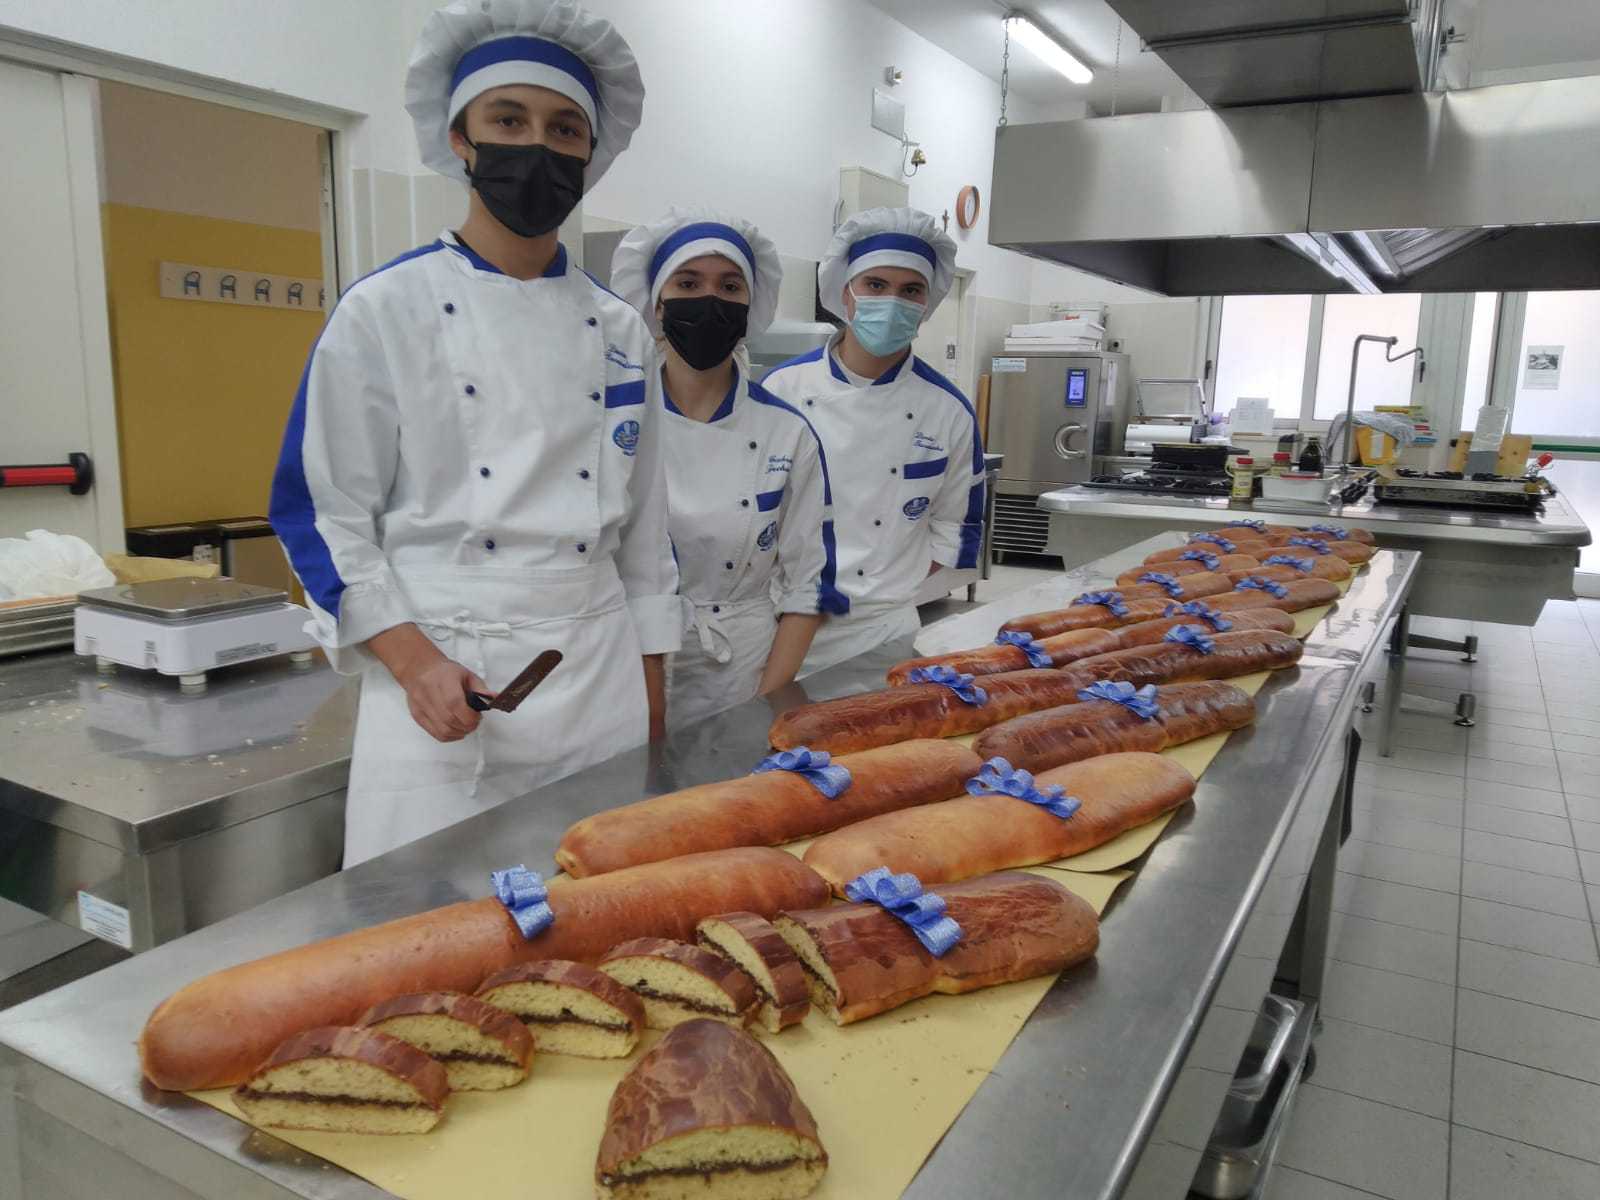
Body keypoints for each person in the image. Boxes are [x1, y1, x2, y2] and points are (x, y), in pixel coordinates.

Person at [268, 0, 678, 867]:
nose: (538, 145)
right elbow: (321, 513)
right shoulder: (384, 311)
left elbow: (642, 540)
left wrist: (650, 705)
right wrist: (414, 662)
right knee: (424, 936)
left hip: (594, 668)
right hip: (447, 673)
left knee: (597, 917)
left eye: (565, 128)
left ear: (590, 154)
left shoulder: (621, 330)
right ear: (461, 137)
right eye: (509, 119)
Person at [611, 209, 847, 728]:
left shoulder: (788, 432)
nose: (710, 300)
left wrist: (765, 702)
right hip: (626, 662)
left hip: (744, 662)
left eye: (730, 285)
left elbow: (810, 583)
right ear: (656, 303)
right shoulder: (614, 422)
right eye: (689, 282)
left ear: (750, 305)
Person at [761, 207, 984, 675]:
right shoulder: (781, 391)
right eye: (876, 285)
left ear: (927, 304)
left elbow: (954, 530)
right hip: (777, 625)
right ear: (846, 293)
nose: (893, 301)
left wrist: (885, 593)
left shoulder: (948, 411)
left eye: (910, 291)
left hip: (885, 631)